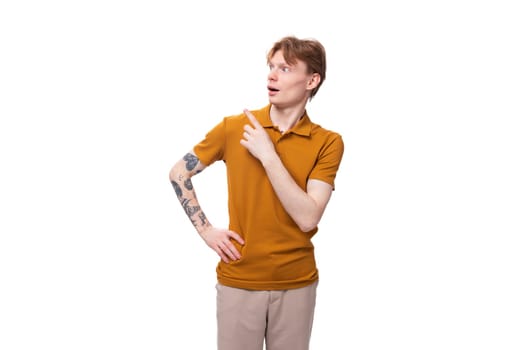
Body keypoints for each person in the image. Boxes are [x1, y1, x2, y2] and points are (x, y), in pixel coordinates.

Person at [169, 35, 344, 350]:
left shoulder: (328, 142)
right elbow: (179, 173)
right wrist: (206, 230)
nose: (272, 76)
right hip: (240, 280)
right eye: (271, 67)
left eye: (286, 69)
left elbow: (308, 217)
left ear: (312, 80)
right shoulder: (235, 128)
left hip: (297, 283)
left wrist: (267, 154)